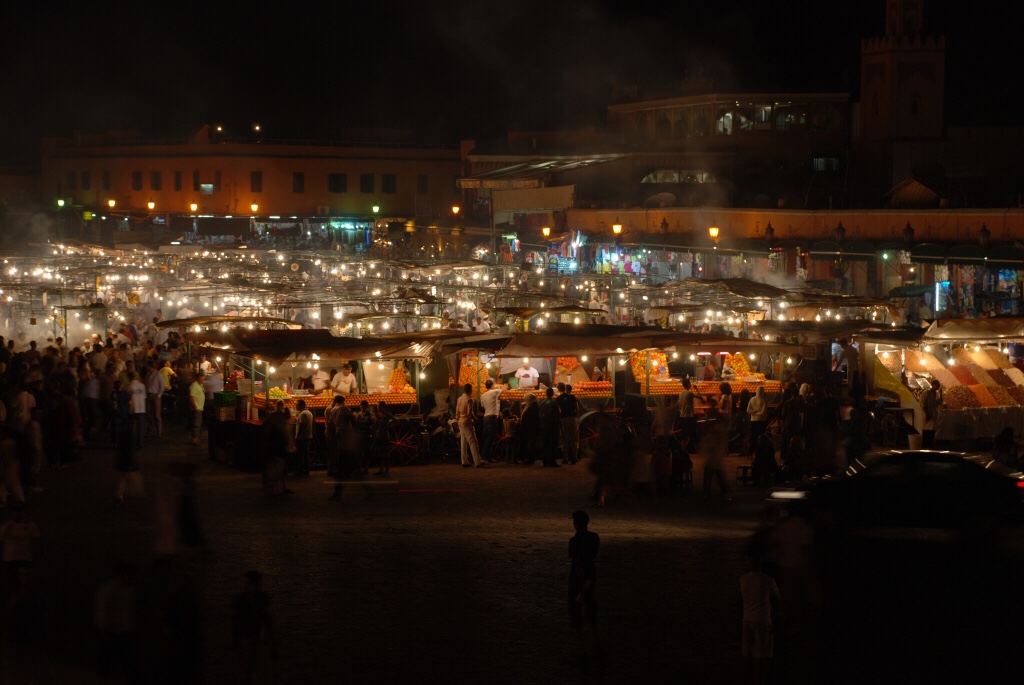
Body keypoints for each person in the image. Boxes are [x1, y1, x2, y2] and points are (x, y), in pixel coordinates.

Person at [94, 561, 140, 683]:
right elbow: (102, 611)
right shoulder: (109, 589)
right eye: (129, 575)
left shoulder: (129, 589)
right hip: (113, 632)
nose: (131, 578)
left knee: (126, 662)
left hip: (125, 631)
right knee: (110, 662)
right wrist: (104, 630)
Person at [740, 557, 781, 685]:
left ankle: (748, 679)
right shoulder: (768, 580)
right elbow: (777, 597)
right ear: (761, 565)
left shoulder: (743, 579)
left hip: (747, 619)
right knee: (760, 654)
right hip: (762, 620)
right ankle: (757, 680)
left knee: (747, 652)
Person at [231, 570, 276, 685]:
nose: (245, 586)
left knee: (259, 673)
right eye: (244, 583)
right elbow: (234, 620)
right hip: (248, 639)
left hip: (258, 639)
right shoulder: (242, 599)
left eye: (247, 583)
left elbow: (269, 618)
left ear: (255, 584)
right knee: (247, 672)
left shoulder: (241, 599)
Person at [568, 510, 599, 641]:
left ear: (575, 524)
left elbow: (577, 562)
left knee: (576, 608)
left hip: (577, 578)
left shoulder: (574, 541)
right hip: (591, 574)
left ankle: (580, 637)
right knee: (591, 605)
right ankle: (596, 635)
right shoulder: (594, 537)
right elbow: (594, 555)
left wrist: (580, 581)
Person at [700, 406, 731, 501]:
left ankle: (709, 493)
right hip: (714, 453)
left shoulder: (716, 428)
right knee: (716, 473)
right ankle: (723, 492)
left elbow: (715, 440)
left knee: (712, 473)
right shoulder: (718, 427)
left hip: (714, 453)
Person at [456, 383, 486, 468]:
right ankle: (477, 462)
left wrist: (458, 420)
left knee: (463, 441)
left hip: (460, 421)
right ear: (470, 390)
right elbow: (470, 413)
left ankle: (464, 461)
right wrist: (476, 419)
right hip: (467, 421)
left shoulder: (459, 399)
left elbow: (457, 412)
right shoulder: (470, 400)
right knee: (473, 441)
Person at [479, 379, 504, 463]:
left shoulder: (482, 395)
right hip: (492, 418)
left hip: (485, 417)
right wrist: (506, 385)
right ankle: (483, 457)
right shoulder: (494, 392)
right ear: (492, 385)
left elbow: (484, 406)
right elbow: (503, 390)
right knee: (490, 438)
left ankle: (489, 457)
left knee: (487, 437)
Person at [556, 383, 580, 464]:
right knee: (574, 438)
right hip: (573, 419)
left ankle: (565, 458)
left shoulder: (558, 399)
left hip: (564, 419)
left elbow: (558, 411)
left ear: (558, 389)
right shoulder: (572, 397)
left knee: (564, 438)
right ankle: (574, 457)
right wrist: (576, 417)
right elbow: (577, 408)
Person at [539, 387, 562, 467]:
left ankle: (545, 461)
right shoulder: (554, 403)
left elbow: (540, 414)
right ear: (552, 394)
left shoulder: (542, 403)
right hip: (553, 426)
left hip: (544, 425)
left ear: (546, 394)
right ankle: (552, 461)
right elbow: (557, 415)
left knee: (545, 443)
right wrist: (559, 424)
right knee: (553, 443)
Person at [518, 393, 540, 464]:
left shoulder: (533, 406)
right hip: (529, 428)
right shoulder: (531, 405)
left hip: (530, 429)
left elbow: (532, 418)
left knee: (530, 444)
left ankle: (530, 458)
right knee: (530, 443)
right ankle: (528, 458)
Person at [293, 399, 313, 477]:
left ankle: (300, 471)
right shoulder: (309, 413)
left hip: (302, 437)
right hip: (308, 436)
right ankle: (306, 470)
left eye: (297, 405)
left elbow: (301, 426)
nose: (296, 406)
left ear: (302, 405)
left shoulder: (303, 414)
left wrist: (297, 437)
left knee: (300, 455)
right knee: (306, 454)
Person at [747, 387, 768, 457]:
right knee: (760, 437)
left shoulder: (752, 399)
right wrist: (757, 412)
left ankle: (751, 452)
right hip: (761, 421)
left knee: (753, 437)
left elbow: (748, 410)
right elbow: (762, 412)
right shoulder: (764, 400)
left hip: (753, 420)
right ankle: (760, 452)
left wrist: (753, 412)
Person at [128, 371, 147, 449]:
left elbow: (128, 397)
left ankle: (132, 442)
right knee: (141, 426)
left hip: (133, 408)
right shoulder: (142, 385)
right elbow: (144, 396)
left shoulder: (130, 386)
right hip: (141, 407)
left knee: (133, 426)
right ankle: (140, 443)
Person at [921, 379, 941, 449]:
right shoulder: (926, 393)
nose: (938, 387)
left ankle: (930, 447)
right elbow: (923, 404)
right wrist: (926, 414)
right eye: (937, 385)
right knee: (926, 432)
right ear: (933, 385)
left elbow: (939, 403)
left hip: (933, 415)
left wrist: (941, 395)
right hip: (927, 415)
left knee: (932, 432)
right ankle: (924, 448)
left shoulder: (937, 394)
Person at [189, 372, 206, 445]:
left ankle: (196, 438)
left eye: (203, 379)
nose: (203, 380)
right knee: (196, 423)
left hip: (200, 407)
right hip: (197, 408)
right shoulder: (194, 385)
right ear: (198, 378)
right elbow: (191, 396)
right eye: (201, 379)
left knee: (198, 422)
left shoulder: (200, 385)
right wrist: (195, 406)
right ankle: (195, 439)